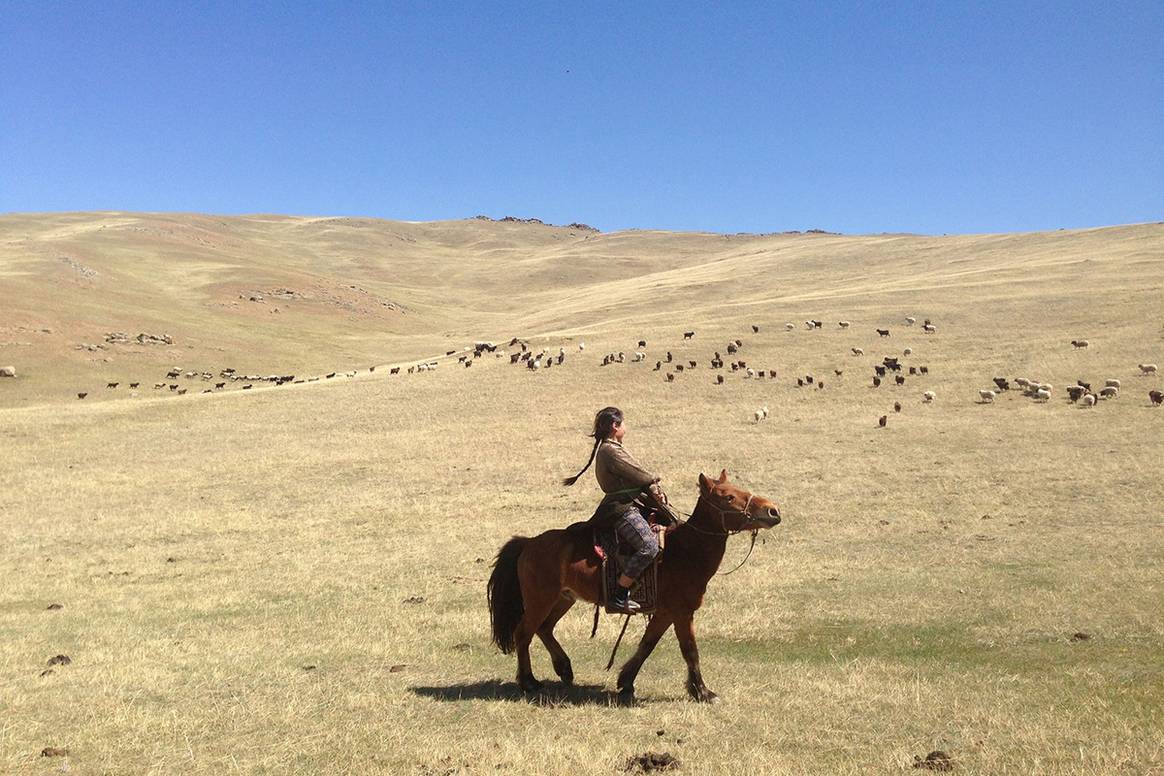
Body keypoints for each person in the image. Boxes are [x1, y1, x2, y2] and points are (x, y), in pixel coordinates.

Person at [562, 406, 678, 613]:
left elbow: (637, 476)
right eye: (623, 423)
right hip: (621, 508)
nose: (626, 427)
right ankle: (619, 595)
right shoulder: (610, 450)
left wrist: (653, 488)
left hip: (632, 503)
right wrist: (653, 480)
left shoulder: (614, 448)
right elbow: (639, 474)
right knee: (649, 546)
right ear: (615, 426)